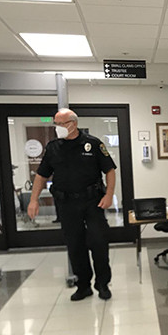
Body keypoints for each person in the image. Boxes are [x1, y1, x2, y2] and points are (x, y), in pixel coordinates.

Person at [27, 108, 117, 301]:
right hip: (66, 204)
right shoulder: (53, 148)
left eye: (61, 124)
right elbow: (42, 175)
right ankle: (83, 285)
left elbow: (109, 170)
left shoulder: (92, 144)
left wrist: (109, 195)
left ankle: (102, 284)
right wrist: (34, 200)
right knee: (75, 245)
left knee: (98, 242)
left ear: (73, 124)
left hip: (93, 202)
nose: (57, 128)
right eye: (56, 124)